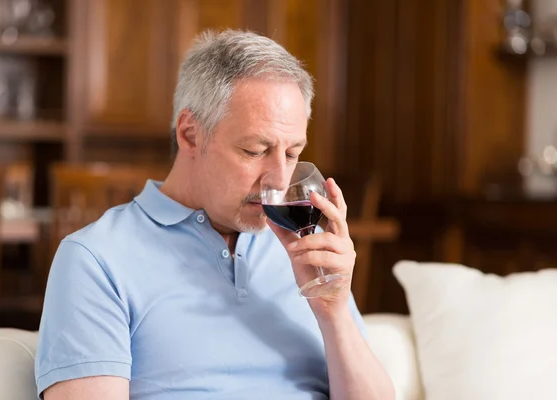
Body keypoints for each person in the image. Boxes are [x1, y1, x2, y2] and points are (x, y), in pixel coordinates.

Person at [35, 29, 395, 400]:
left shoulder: (308, 253)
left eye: (292, 154)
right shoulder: (96, 259)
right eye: (255, 150)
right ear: (191, 134)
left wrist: (333, 312)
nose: (279, 178)